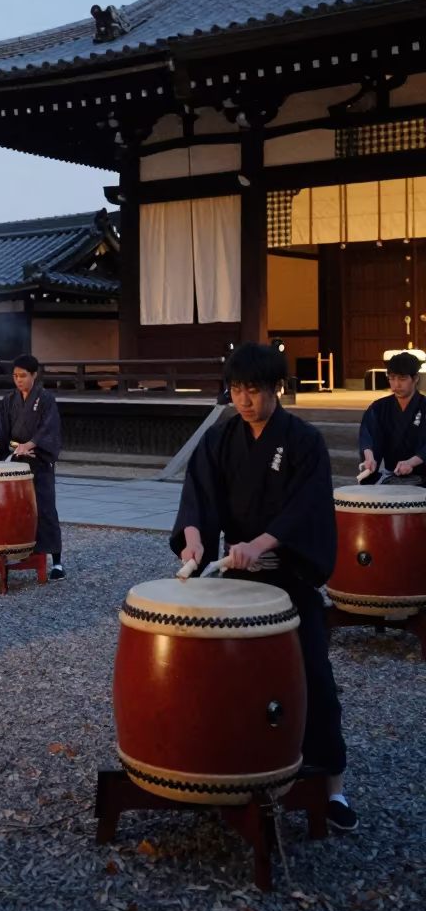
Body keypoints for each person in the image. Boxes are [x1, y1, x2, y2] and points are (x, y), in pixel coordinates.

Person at [171, 342, 358, 833]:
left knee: (313, 675)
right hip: (236, 574)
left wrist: (263, 543)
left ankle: (332, 785)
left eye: (253, 390)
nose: (244, 400)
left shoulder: (303, 441)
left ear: (277, 388)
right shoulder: (220, 438)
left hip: (288, 575)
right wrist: (193, 539)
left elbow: (310, 507)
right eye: (236, 390)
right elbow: (198, 496)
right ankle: (232, 765)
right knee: (229, 675)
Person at [0, 353, 65, 580]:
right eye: (15, 375)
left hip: (38, 462)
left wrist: (30, 444)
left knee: (45, 509)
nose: (18, 380)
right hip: (17, 463)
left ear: (34, 375)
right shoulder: (10, 400)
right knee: (20, 510)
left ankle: (57, 562)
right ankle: (25, 551)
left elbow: (50, 428)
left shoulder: (46, 399)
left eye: (23, 375)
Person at [359, 351, 426, 485]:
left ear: (415, 378)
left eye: (402, 379)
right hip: (393, 474)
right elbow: (368, 435)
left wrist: (411, 462)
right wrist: (369, 458)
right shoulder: (379, 407)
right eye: (392, 378)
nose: (396, 385)